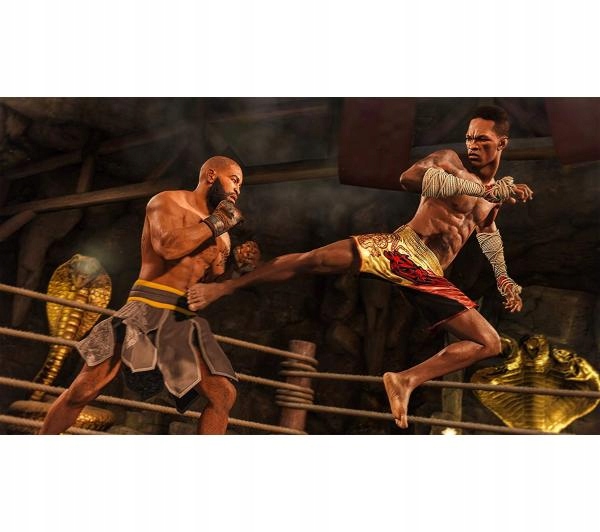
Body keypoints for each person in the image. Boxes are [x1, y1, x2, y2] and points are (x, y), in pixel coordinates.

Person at [187, 106, 534, 429]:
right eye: (469, 138)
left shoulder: (494, 195)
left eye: (482, 140)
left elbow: (487, 233)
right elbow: (409, 177)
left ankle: (406, 379)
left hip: (428, 272)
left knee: (488, 343)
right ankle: (223, 287)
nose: (472, 146)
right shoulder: (449, 162)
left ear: (502, 144)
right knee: (312, 259)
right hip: (400, 250)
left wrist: (505, 280)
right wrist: (480, 190)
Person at [40, 155, 260, 435]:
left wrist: (239, 267)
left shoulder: (223, 234)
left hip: (182, 317)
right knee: (84, 389)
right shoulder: (167, 201)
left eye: (241, 185)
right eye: (234, 180)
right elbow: (168, 247)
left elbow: (210, 281)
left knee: (223, 395)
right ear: (211, 175)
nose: (238, 189)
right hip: (146, 305)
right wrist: (216, 222)